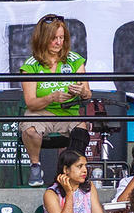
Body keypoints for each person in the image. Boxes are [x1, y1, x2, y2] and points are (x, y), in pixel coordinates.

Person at [19, 14, 92, 187]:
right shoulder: (31, 64)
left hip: (69, 111)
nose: (59, 43)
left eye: (62, 38)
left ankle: (69, 174)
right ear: (43, 38)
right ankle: (35, 166)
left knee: (81, 132)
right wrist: (52, 97)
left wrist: (82, 91)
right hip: (41, 112)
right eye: (54, 38)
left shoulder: (74, 60)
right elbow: (30, 102)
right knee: (30, 129)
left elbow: (88, 94)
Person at [34, 150, 106, 213]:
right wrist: (69, 193)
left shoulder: (89, 187)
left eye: (85, 166)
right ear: (66, 170)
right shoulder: (51, 193)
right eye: (79, 166)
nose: (85, 170)